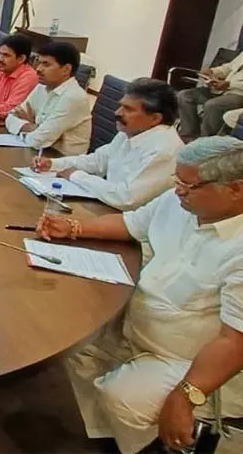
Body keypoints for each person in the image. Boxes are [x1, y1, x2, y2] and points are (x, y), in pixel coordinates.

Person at [37, 136, 243, 454]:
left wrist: (186, 394)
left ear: (235, 189)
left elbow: (233, 342)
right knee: (68, 342)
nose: (178, 191)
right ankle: (117, 438)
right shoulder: (180, 202)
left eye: (189, 186)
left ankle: (154, 445)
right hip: (138, 321)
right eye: (177, 180)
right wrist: (74, 227)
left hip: (187, 360)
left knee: (123, 399)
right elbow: (132, 223)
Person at [32, 78, 182, 210]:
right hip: (107, 209)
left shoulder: (164, 151)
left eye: (128, 109)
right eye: (121, 106)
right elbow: (97, 161)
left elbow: (126, 199)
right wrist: (53, 164)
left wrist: (75, 175)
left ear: (155, 119)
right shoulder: (131, 131)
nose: (117, 112)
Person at [4, 41, 92, 156]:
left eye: (46, 64)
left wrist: (35, 130)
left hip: (61, 162)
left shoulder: (74, 97)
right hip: (37, 154)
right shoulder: (42, 86)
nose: (38, 69)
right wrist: (35, 128)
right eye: (38, 63)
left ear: (66, 69)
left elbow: (38, 141)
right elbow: (10, 116)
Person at [176, 50, 243, 140]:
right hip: (220, 90)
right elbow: (228, 68)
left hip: (238, 94)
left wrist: (229, 84)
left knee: (212, 105)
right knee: (185, 95)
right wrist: (212, 71)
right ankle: (188, 136)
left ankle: (205, 140)